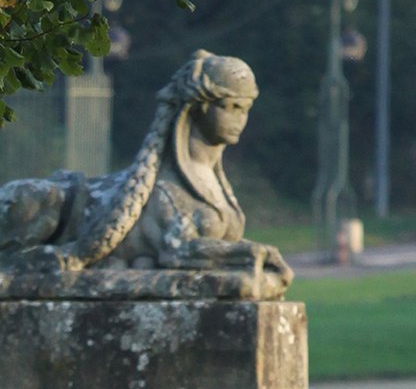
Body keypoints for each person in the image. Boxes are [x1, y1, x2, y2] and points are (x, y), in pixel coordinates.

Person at [0, 49, 292, 284]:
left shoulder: (213, 185)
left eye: (246, 109)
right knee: (39, 197)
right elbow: (177, 251)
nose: (241, 118)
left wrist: (249, 253)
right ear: (200, 106)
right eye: (232, 107)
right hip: (65, 209)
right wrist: (253, 252)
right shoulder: (166, 190)